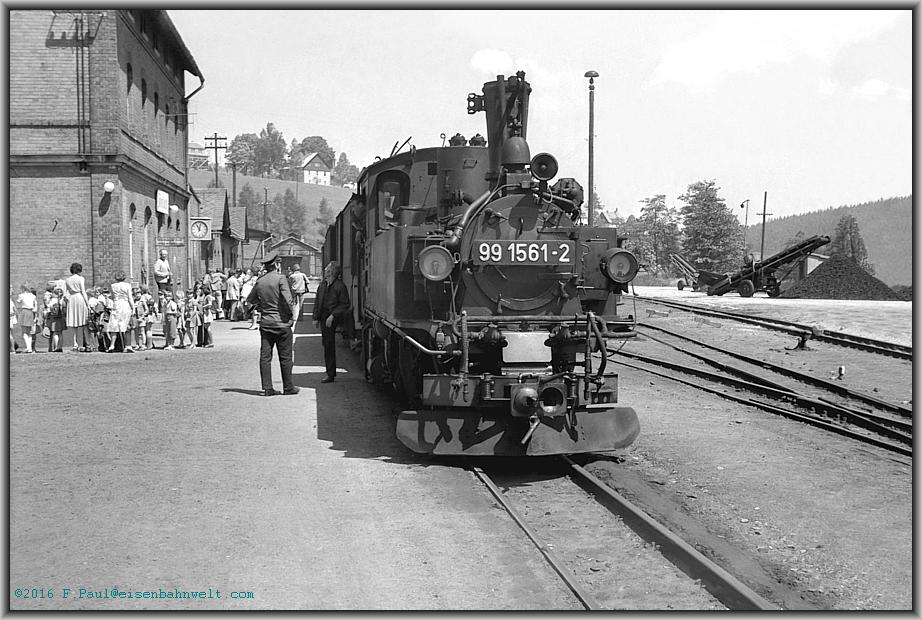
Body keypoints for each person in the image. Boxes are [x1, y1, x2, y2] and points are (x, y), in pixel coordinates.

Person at [246, 251, 299, 396]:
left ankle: (268, 388)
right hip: (282, 324)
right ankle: (288, 388)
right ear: (276, 264)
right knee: (286, 357)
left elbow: (249, 302)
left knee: (265, 357)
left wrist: (261, 306)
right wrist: (292, 316)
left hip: (266, 324)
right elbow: (288, 300)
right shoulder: (281, 279)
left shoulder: (260, 281)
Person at [312, 261, 351, 383]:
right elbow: (318, 301)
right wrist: (316, 317)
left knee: (329, 344)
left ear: (331, 271)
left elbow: (345, 304)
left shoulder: (340, 286)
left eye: (327, 269)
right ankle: (330, 372)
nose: (325, 270)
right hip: (324, 317)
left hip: (334, 317)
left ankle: (330, 374)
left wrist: (333, 315)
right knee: (327, 344)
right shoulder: (323, 285)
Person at [64, 262, 91, 351]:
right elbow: (83, 291)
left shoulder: (67, 280)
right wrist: (88, 304)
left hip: (72, 299)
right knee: (83, 321)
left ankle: (75, 343)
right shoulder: (81, 279)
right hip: (79, 298)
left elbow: (66, 292)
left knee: (73, 321)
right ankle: (85, 343)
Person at [106, 271, 134, 352]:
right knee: (126, 325)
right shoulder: (127, 285)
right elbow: (130, 297)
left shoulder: (113, 286)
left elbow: (112, 296)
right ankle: (128, 346)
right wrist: (133, 307)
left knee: (114, 325)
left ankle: (112, 346)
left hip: (116, 304)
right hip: (125, 305)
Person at [16, 283, 38, 353]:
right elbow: (35, 306)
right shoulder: (33, 296)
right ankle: (30, 348)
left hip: (24, 311)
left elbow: (18, 303)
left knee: (24, 332)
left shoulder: (21, 295)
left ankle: (28, 347)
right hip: (31, 312)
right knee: (29, 332)